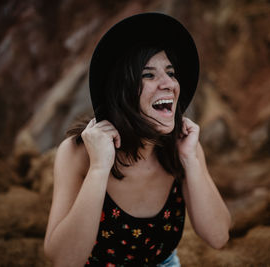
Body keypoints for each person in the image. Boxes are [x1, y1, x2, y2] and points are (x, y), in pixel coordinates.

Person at [43, 13, 231, 267]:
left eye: (171, 72)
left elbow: (218, 236)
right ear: (121, 91)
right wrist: (99, 168)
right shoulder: (78, 153)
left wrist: (190, 160)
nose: (169, 84)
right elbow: (64, 261)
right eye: (149, 75)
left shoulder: (184, 147)